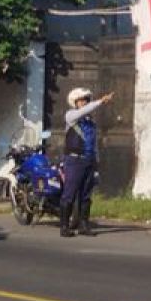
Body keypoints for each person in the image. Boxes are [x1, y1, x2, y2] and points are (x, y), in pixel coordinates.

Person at [59, 87, 113, 238]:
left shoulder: (90, 122)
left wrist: (96, 161)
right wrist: (100, 101)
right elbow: (83, 111)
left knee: (86, 195)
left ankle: (84, 225)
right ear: (75, 103)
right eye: (81, 100)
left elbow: (93, 142)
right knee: (69, 194)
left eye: (86, 100)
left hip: (89, 160)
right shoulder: (71, 116)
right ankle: (64, 226)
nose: (84, 103)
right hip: (74, 160)